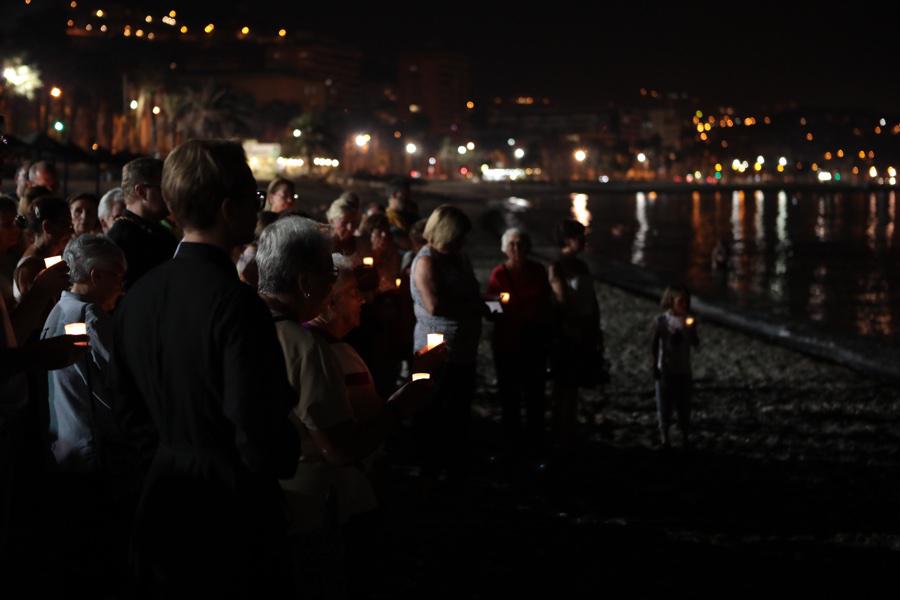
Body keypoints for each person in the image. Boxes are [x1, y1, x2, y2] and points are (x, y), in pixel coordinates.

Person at [109, 140, 300, 596]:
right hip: (227, 512)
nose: (257, 211)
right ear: (227, 207)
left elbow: (126, 409)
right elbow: (257, 431)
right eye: (255, 200)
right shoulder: (236, 304)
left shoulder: (138, 294)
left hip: (160, 497)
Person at [256, 217, 432, 595]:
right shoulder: (306, 348)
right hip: (306, 507)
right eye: (326, 275)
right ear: (305, 283)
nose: (331, 285)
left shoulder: (240, 323)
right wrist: (402, 405)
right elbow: (338, 447)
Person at [410, 205, 484, 478]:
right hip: (434, 346)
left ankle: (454, 462)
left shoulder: (459, 257)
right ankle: (428, 465)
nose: (462, 242)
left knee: (458, 405)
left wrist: (491, 306)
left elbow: (472, 292)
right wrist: (476, 307)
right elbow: (434, 305)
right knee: (431, 405)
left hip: (463, 348)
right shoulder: (427, 261)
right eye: (458, 236)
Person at [486, 228, 553, 456]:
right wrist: (498, 307)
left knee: (535, 392)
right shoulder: (499, 274)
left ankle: (536, 438)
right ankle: (512, 439)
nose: (516, 248)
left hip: (534, 341)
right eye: (512, 244)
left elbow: (547, 303)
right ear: (505, 248)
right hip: (507, 342)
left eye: (521, 243)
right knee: (509, 393)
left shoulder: (538, 271)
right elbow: (490, 306)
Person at [548, 219, 605, 452]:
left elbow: (591, 299)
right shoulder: (557, 266)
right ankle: (560, 432)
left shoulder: (581, 266)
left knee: (575, 384)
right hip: (567, 333)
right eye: (580, 236)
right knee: (564, 384)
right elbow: (562, 302)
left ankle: (568, 429)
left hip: (585, 329)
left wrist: (595, 327)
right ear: (567, 239)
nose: (584, 240)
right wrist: (577, 326)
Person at [106, 157, 177, 289]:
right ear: (142, 192)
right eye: (165, 188)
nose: (170, 195)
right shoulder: (120, 240)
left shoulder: (157, 230)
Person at [651, 285, 699, 449]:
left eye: (686, 302)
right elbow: (655, 344)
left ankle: (685, 437)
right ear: (672, 301)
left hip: (684, 370)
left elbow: (695, 343)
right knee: (664, 406)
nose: (684, 305)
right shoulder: (662, 321)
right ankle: (665, 438)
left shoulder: (688, 319)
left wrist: (692, 330)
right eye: (681, 301)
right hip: (666, 369)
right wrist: (654, 365)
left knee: (684, 406)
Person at [12, 196, 72, 301]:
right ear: (47, 226)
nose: (70, 231)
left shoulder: (48, 257)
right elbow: (33, 309)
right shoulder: (31, 266)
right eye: (65, 224)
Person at [326, 195, 360, 259]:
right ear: (332, 221)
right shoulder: (323, 246)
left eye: (352, 222)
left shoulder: (359, 245)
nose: (350, 227)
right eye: (344, 222)